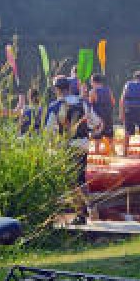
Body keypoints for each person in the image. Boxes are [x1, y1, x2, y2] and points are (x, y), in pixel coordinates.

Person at [43, 76, 93, 224]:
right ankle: (89, 208)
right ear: (69, 87)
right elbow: (95, 121)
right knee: (81, 178)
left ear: (56, 89)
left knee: (71, 181)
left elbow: (48, 131)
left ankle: (82, 212)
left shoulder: (55, 106)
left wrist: (50, 145)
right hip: (83, 144)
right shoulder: (82, 102)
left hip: (68, 146)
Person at [86, 73, 116, 155]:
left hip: (98, 117)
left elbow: (90, 105)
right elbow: (113, 102)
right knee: (110, 137)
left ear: (93, 82)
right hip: (108, 115)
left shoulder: (92, 91)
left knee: (97, 138)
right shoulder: (108, 89)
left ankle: (97, 153)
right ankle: (113, 152)